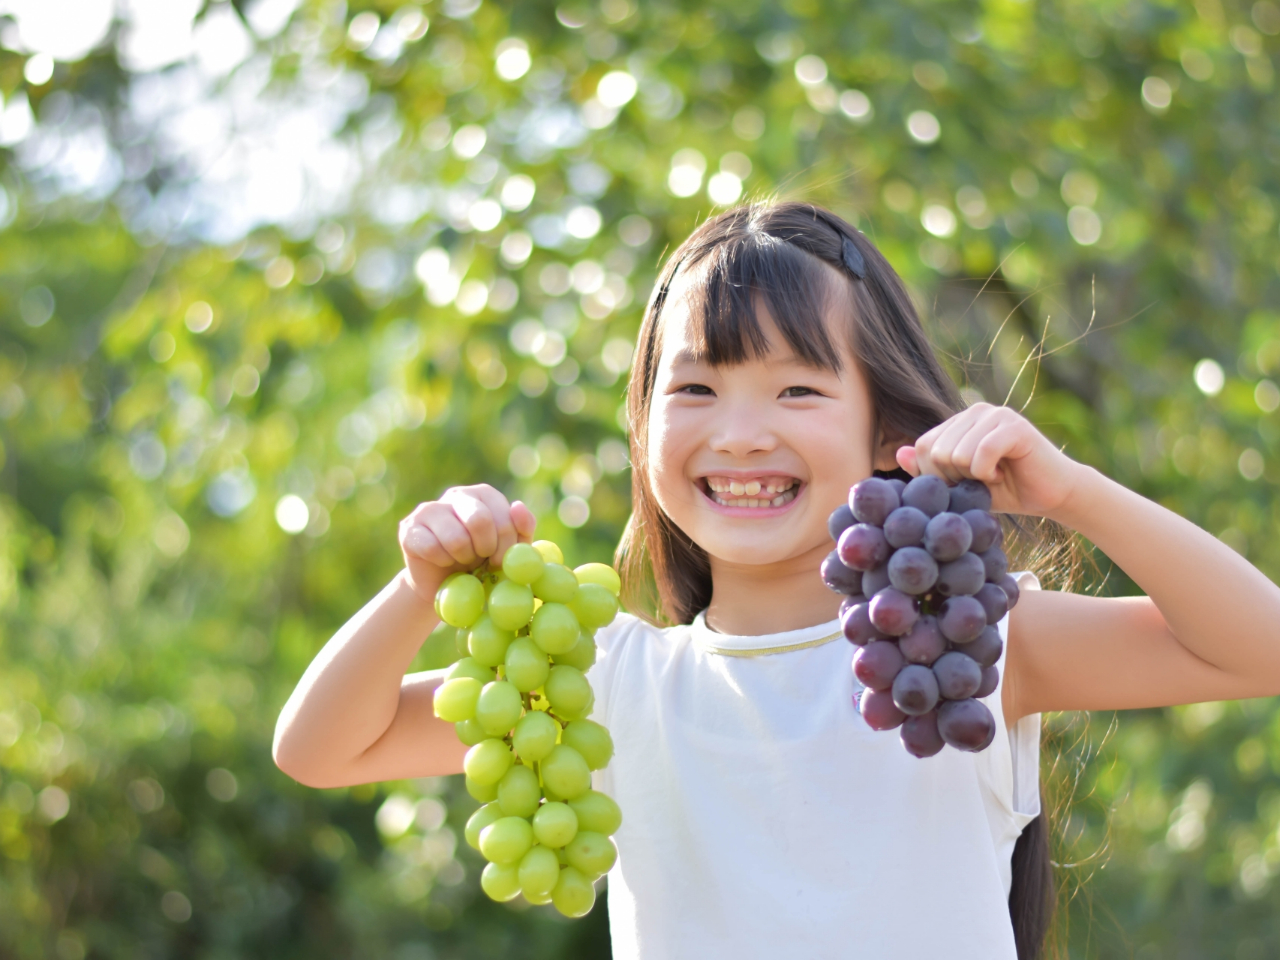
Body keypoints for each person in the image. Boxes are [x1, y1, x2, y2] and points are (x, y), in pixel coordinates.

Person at [273, 201, 1280, 960]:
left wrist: (1071, 492)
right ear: (642, 431)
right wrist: (419, 587)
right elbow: (321, 747)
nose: (740, 432)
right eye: (695, 389)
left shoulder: (966, 651)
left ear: (886, 433)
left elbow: (1255, 647)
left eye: (796, 388)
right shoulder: (603, 681)